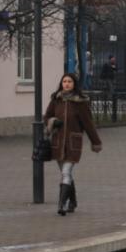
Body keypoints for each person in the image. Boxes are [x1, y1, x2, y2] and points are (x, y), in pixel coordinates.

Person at [43, 73, 102, 216]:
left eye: (69, 81)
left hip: (73, 142)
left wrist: (96, 142)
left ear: (74, 84)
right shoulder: (56, 99)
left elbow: (88, 124)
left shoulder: (80, 102)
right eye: (64, 81)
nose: (67, 84)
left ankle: (61, 204)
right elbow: (47, 116)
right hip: (57, 142)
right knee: (66, 174)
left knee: (66, 172)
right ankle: (73, 201)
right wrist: (52, 122)